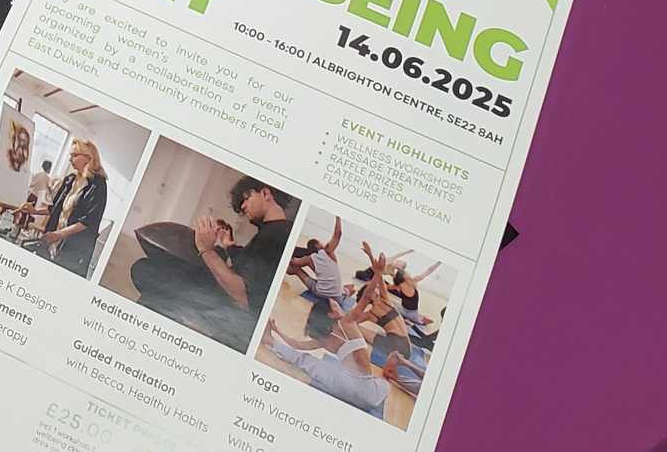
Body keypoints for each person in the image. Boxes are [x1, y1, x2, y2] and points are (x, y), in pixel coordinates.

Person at [131, 176, 295, 351]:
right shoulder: (272, 231)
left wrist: (206, 250)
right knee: (146, 268)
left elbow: (245, 296)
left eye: (246, 199)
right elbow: (250, 267)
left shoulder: (277, 235)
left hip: (231, 311)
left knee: (148, 272)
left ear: (265, 193)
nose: (243, 207)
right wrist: (229, 245)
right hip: (224, 293)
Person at [261, 313, 409, 418]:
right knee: (382, 385)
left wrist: (277, 330)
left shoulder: (334, 338)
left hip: (350, 387)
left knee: (305, 361)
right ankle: (270, 340)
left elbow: (297, 345)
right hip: (369, 396)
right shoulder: (352, 335)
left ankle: (269, 341)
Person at [33, 139, 107, 278]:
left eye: (74, 155)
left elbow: (88, 221)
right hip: (54, 240)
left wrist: (59, 234)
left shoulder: (98, 185)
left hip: (73, 248)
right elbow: (54, 208)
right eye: (70, 155)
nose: (70, 159)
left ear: (88, 158)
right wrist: (33, 210)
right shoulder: (70, 180)